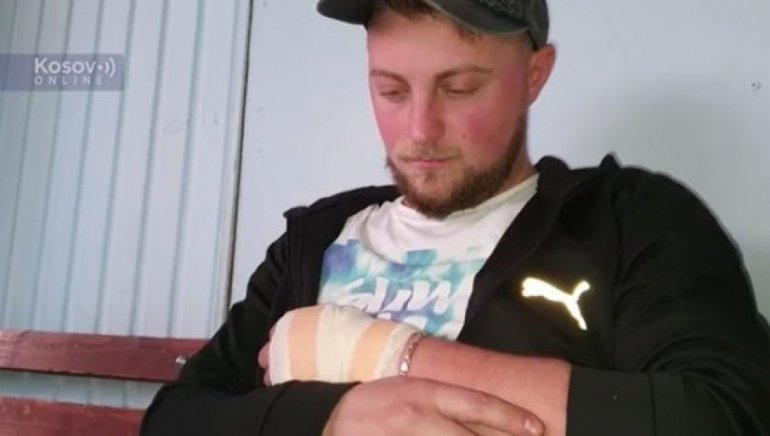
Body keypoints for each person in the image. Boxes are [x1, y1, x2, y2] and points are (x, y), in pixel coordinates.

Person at [141, 0, 770, 435]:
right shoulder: (317, 237)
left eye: (460, 88)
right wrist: (333, 418)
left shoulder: (629, 220)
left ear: (534, 75)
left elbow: (726, 414)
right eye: (391, 90)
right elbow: (175, 419)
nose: (420, 130)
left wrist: (385, 356)